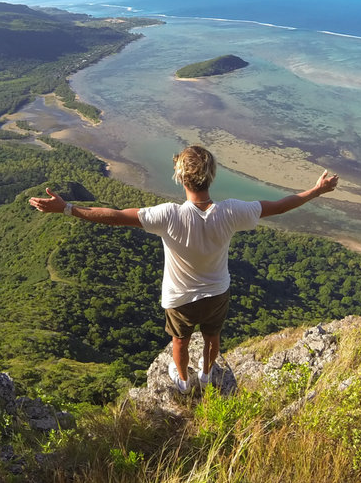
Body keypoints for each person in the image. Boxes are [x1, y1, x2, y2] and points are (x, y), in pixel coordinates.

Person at [28, 145, 339, 394]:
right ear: (211, 176)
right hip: (218, 291)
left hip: (180, 298)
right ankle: (205, 375)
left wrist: (67, 208)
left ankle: (182, 381)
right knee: (213, 336)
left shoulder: (168, 215)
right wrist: (316, 191)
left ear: (181, 178)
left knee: (180, 341)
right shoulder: (232, 211)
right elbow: (280, 206)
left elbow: (114, 216)